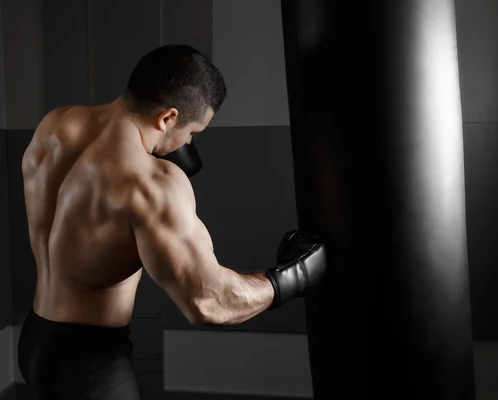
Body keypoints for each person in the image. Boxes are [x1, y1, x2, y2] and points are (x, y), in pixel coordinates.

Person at [17, 44, 326, 400]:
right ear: (167, 118)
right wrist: (293, 277)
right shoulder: (152, 185)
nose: (189, 142)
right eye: (193, 133)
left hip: (36, 339)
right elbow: (208, 302)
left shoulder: (55, 125)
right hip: (90, 366)